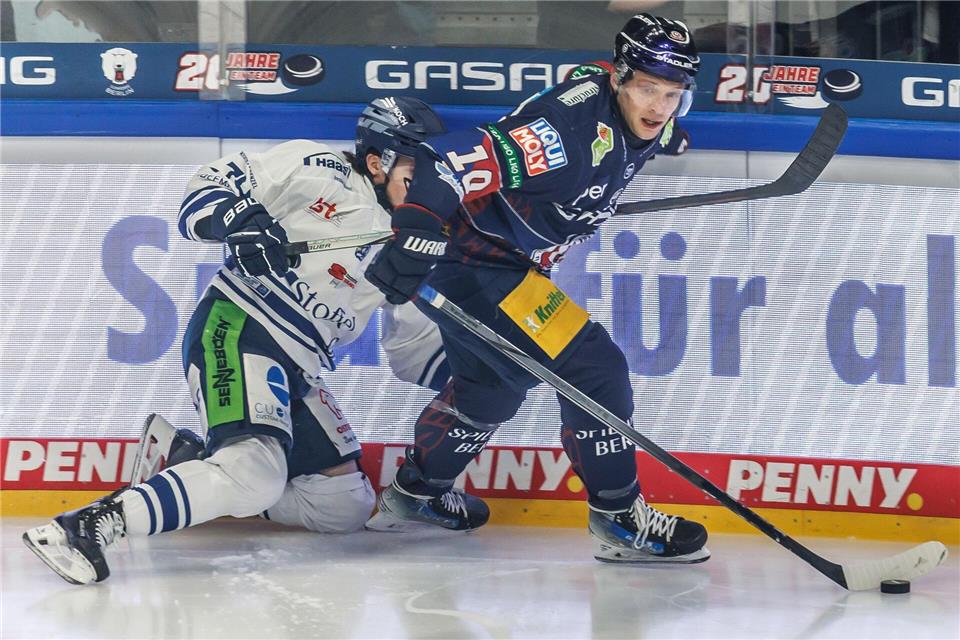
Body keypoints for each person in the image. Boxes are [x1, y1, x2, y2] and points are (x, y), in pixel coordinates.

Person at [23, 96, 456, 585]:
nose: (429, 188)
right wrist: (239, 222)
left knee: (342, 506)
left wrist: (474, 377)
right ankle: (89, 525)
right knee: (256, 474)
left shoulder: (415, 240)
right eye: (415, 172)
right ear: (377, 161)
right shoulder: (317, 166)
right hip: (237, 325)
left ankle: (187, 465)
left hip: (298, 365)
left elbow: (411, 352)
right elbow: (205, 189)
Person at [364, 14, 709, 564]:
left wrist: (667, 134)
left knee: (492, 389)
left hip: (497, 261)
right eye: (647, 89)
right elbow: (445, 161)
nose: (658, 107)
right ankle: (620, 517)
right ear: (620, 78)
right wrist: (415, 229)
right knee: (595, 369)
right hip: (482, 263)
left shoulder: (639, 111)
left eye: (672, 95)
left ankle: (415, 494)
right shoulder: (560, 137)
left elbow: (650, 123)